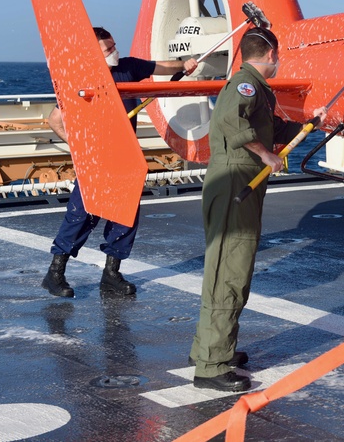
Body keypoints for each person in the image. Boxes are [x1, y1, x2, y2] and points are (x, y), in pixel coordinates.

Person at [189, 27, 326, 392]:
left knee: (227, 267)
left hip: (239, 182)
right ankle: (212, 366)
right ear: (269, 54)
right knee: (229, 270)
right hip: (236, 182)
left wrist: (311, 123)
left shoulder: (255, 90)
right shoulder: (244, 86)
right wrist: (266, 156)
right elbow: (232, 122)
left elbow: (271, 128)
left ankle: (210, 348)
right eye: (277, 56)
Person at [42, 27, 198, 298]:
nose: (115, 52)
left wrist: (185, 64)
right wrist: (83, 149)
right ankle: (55, 274)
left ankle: (111, 275)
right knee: (81, 215)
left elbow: (162, 66)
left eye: (114, 45)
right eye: (108, 49)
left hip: (124, 158)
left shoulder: (128, 67)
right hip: (96, 160)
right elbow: (55, 120)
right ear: (91, 54)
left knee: (125, 217)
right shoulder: (80, 77)